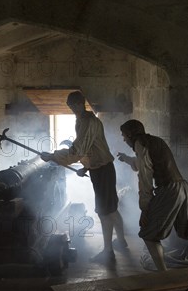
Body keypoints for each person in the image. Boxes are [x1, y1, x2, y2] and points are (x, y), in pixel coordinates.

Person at [41, 91, 127, 263]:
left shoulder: (88, 121)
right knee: (111, 208)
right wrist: (86, 168)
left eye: (74, 105)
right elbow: (92, 149)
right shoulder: (81, 120)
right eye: (69, 106)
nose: (72, 108)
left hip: (102, 170)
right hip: (100, 167)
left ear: (82, 103)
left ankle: (108, 252)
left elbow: (78, 149)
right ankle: (121, 242)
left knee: (104, 212)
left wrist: (54, 156)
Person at [118, 119, 188, 271]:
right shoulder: (155, 141)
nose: (123, 139)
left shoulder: (140, 144)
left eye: (124, 136)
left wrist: (145, 208)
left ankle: (163, 275)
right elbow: (146, 162)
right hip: (183, 188)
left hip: (170, 190)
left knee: (149, 235)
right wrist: (128, 160)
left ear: (130, 134)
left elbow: (145, 177)